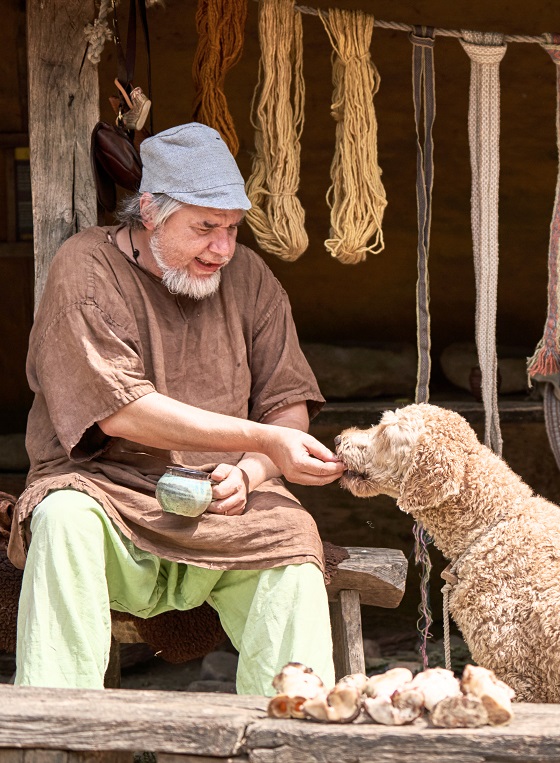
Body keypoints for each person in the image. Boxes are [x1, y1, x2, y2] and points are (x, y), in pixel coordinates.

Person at [8, 122, 345, 696]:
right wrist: (264, 442)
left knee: (293, 542)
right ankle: (58, 732)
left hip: (223, 504)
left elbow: (287, 403)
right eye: (205, 228)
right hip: (107, 492)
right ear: (149, 212)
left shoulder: (251, 278)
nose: (222, 248)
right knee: (62, 521)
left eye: (233, 229)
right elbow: (121, 411)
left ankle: (297, 736)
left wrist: (252, 470)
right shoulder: (85, 268)